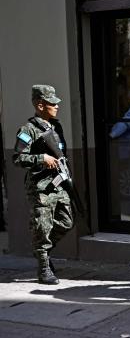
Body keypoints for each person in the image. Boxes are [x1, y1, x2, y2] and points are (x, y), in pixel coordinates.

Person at [13, 85, 74, 284]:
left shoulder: (56, 126)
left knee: (66, 222)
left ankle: (44, 253)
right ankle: (44, 268)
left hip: (58, 183)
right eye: (52, 103)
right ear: (40, 105)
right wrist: (41, 158)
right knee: (42, 227)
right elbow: (18, 158)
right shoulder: (27, 130)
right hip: (41, 187)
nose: (56, 106)